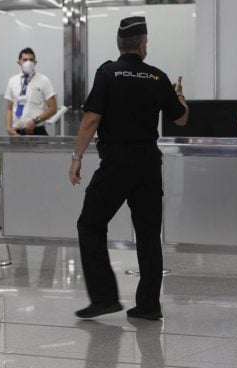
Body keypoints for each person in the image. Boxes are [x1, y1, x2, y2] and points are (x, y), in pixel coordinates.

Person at [68, 16, 189, 320]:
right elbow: (181, 118)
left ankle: (105, 297)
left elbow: (91, 119)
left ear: (120, 44)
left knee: (90, 224)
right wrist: (180, 98)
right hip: (148, 163)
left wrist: (77, 156)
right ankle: (148, 305)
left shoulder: (108, 73)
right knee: (148, 233)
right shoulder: (158, 78)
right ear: (143, 45)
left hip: (117, 164)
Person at [4, 47, 57, 136]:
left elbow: (53, 108)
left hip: (37, 130)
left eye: (31, 60)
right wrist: (9, 128)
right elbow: (9, 108)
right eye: (25, 60)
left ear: (35, 62)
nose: (28, 62)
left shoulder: (44, 80)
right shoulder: (12, 81)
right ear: (19, 62)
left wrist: (34, 121)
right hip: (16, 132)